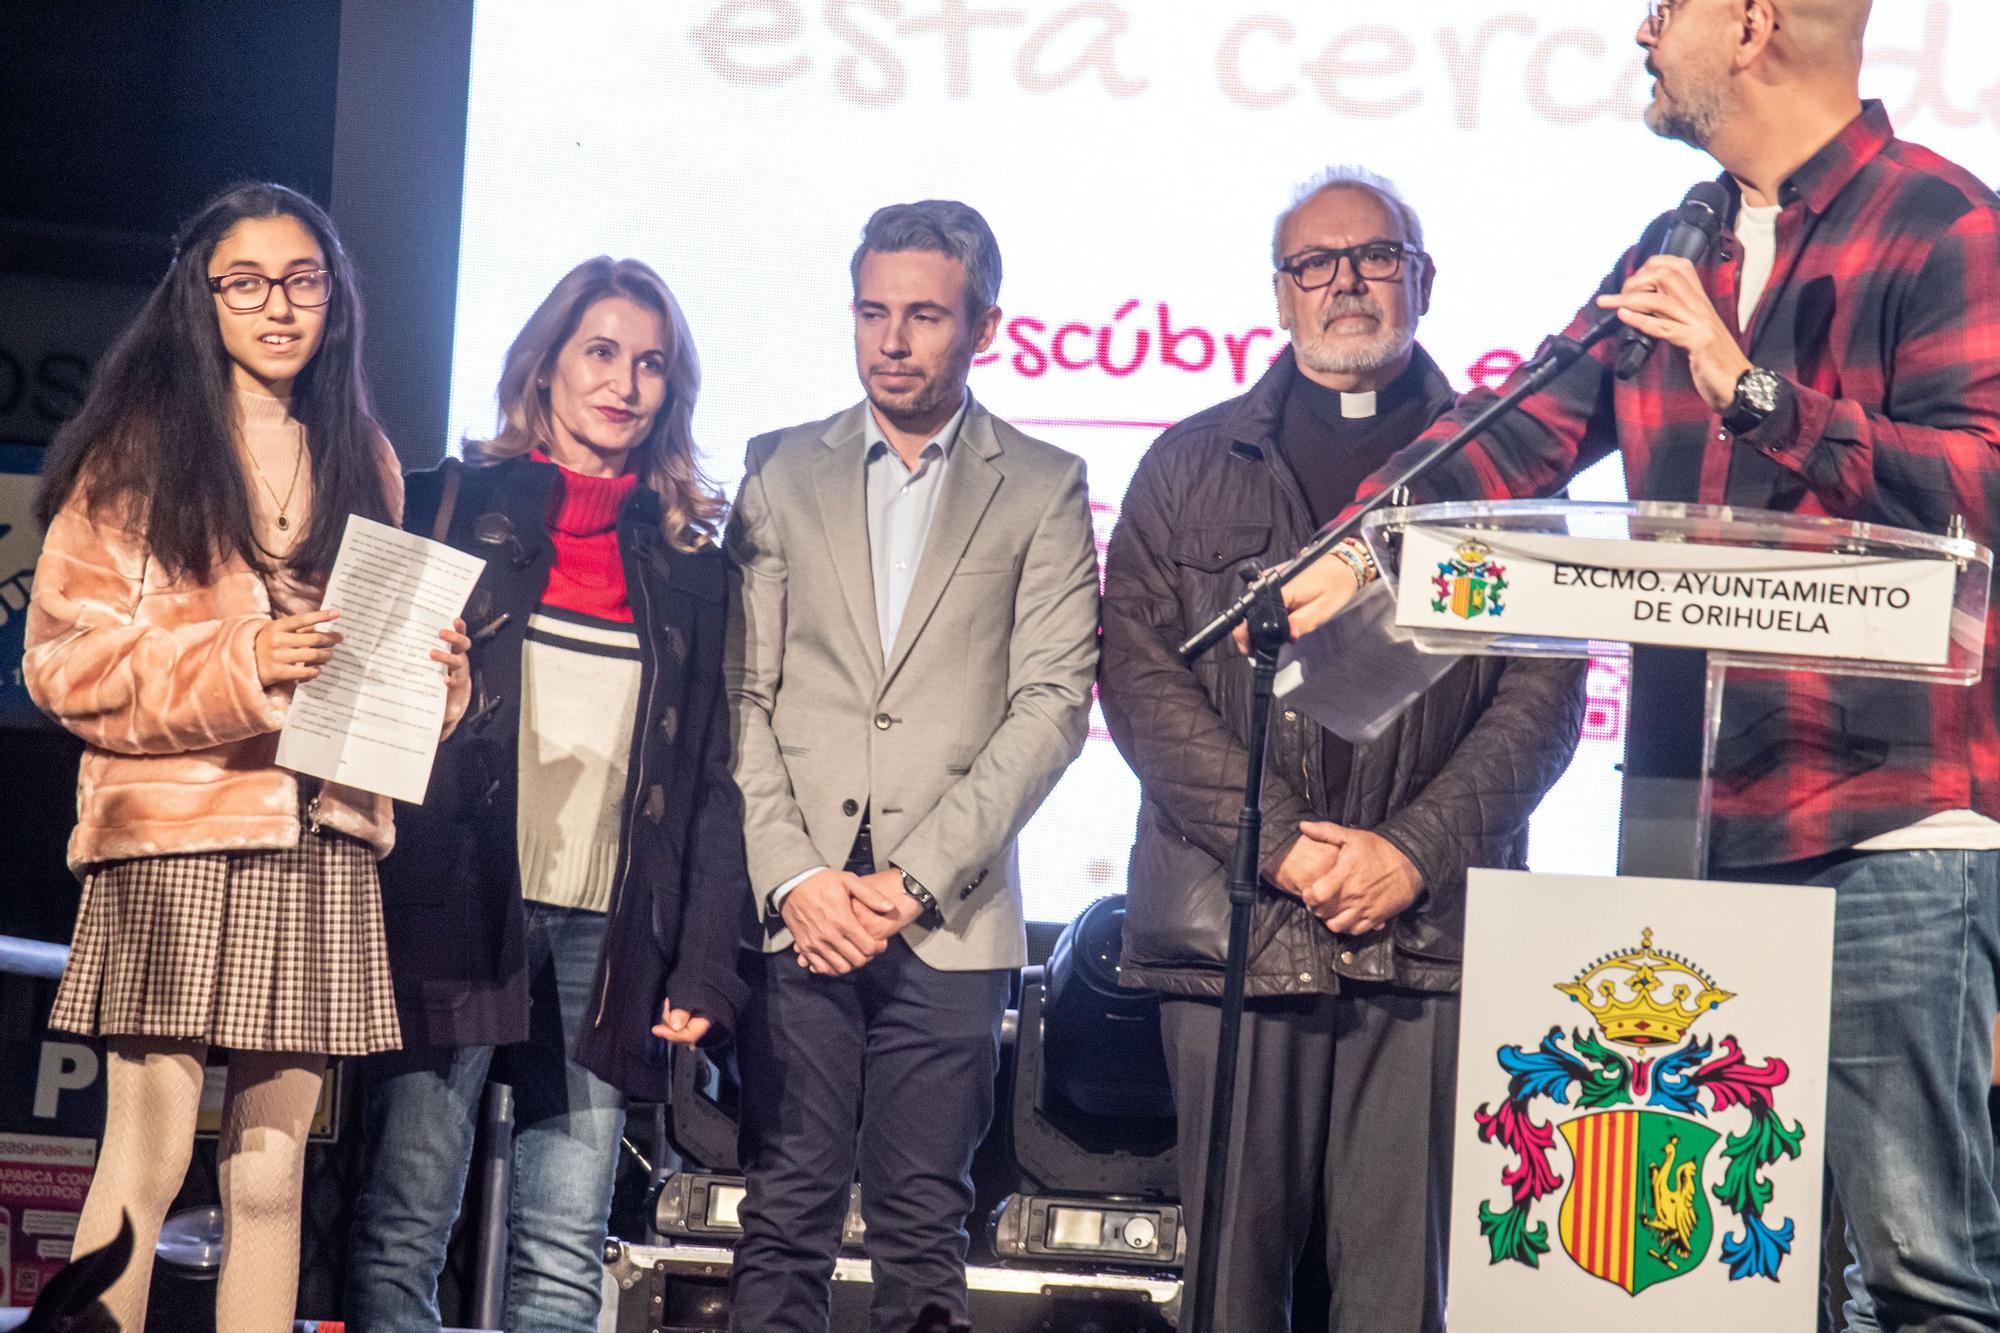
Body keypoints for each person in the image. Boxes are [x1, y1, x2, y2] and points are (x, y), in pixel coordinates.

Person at [1270, 4, 2000, 1327]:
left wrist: (1755, 393)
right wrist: (1364, 542)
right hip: (1691, 824)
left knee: (1916, 1267)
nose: (1643, 30)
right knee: (1717, 1288)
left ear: (1758, 21)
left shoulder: (1945, 224)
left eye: (1672, 7)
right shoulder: (1682, 244)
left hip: (1892, 825)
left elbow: (1982, 488)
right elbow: (1517, 433)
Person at [1098, 167, 1586, 1331]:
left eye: (1373, 257)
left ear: (1421, 278)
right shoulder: (1185, 463)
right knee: (1228, 1295)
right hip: (1236, 932)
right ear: (1279, 294)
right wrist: (1279, 849)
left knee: (1394, 1297)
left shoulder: (1501, 474)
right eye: (1315, 263)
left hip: (1426, 934)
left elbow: (1543, 697)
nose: (1346, 283)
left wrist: (1407, 853)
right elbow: (1138, 679)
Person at [24, 181, 468, 1331]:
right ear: (202, 297)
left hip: (319, 837)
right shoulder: (135, 451)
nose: (280, 307)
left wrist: (438, 676)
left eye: (304, 282)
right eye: (248, 283)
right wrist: (244, 660)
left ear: (337, 300)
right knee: (146, 1156)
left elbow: (365, 668)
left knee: (272, 1176)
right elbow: (63, 662)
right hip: (178, 831)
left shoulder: (362, 456)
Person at [345, 257, 749, 1332]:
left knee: (564, 1252)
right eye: (601, 352)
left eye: (650, 364)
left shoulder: (690, 564)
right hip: (449, 904)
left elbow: (715, 779)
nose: (624, 382)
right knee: (402, 1228)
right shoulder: (446, 504)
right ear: (547, 366)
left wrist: (703, 956)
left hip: (606, 935)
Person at [723, 199, 1100, 1332]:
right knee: (782, 1215)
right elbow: (742, 695)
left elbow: (1050, 706)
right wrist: (794, 877)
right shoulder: (781, 468)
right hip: (798, 913)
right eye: (872, 311)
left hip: (949, 918)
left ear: (983, 324)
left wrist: (910, 882)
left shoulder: (1039, 482)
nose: (891, 339)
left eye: (924, 315)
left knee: (920, 1225)